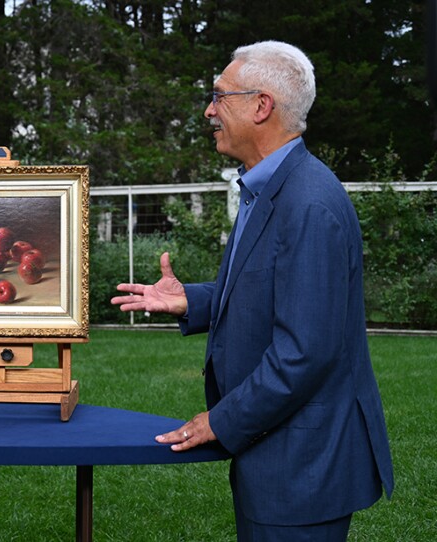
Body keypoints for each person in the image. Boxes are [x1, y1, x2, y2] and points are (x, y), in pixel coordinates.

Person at [112, 41, 393, 541]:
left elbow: (305, 352)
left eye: (220, 97)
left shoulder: (307, 202)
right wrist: (193, 301)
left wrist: (219, 420)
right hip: (285, 461)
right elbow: (274, 289)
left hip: (304, 472)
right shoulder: (270, 185)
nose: (209, 110)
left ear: (261, 106)